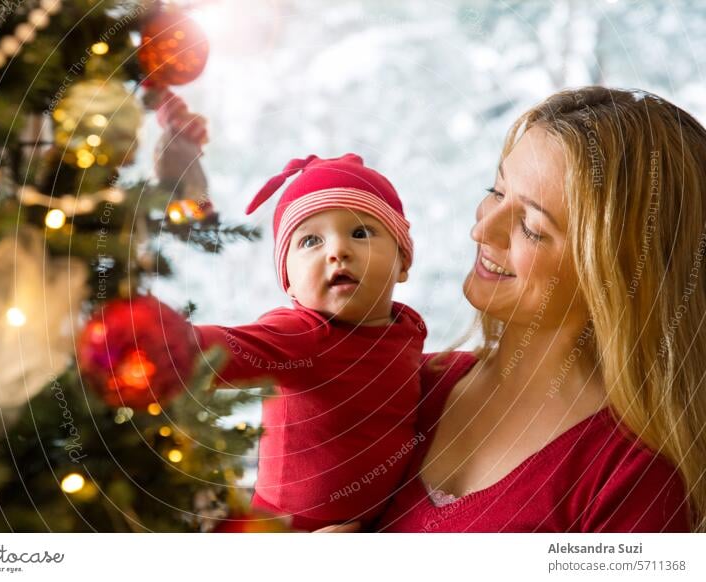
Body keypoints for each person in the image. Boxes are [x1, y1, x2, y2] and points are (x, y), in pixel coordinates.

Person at [324, 87, 706, 533]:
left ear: (620, 273)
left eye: (532, 227)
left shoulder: (637, 479)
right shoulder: (405, 386)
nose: (482, 229)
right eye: (496, 191)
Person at [193, 154, 427, 531]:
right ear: (287, 280)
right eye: (310, 240)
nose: (337, 251)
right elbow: (231, 347)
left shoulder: (407, 328)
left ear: (403, 262)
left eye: (361, 233)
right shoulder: (302, 333)